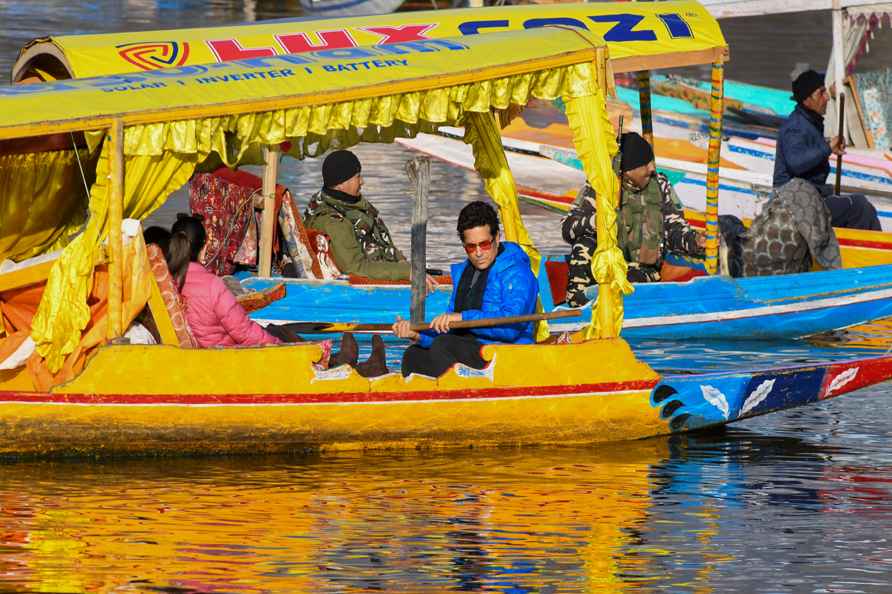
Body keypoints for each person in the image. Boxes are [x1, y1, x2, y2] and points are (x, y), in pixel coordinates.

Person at [166, 214, 387, 376]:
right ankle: (352, 368)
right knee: (281, 338)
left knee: (276, 329)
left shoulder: (167, 282)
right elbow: (243, 333)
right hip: (227, 356)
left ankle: (342, 361)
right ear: (203, 247)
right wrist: (280, 346)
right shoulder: (211, 285)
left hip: (212, 349)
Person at [392, 201, 538, 378]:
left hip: (506, 356)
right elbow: (452, 331)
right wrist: (418, 336)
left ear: (497, 238)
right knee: (413, 355)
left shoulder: (517, 273)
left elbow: (511, 327)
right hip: (469, 350)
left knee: (444, 345)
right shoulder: (464, 273)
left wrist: (462, 317)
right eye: (471, 246)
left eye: (484, 244)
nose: (478, 253)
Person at [561, 132, 705, 307]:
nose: (652, 168)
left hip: (641, 270)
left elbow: (675, 228)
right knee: (584, 243)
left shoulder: (659, 185)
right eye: (645, 164)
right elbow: (567, 228)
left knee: (627, 290)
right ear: (628, 170)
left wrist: (696, 241)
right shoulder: (600, 185)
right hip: (602, 268)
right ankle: (577, 309)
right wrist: (598, 221)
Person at [303, 149, 436, 290]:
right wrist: (405, 272)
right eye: (358, 177)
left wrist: (406, 267)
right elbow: (355, 267)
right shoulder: (333, 221)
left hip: (386, 274)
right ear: (341, 183)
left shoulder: (354, 206)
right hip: (362, 288)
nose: (362, 182)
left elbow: (384, 244)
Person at [773, 69, 881, 231]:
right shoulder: (795, 127)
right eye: (821, 94)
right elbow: (796, 163)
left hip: (809, 198)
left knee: (854, 207)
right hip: (793, 204)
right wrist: (827, 147)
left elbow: (809, 148)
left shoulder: (809, 122)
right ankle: (875, 252)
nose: (826, 98)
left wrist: (829, 146)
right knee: (859, 206)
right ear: (807, 101)